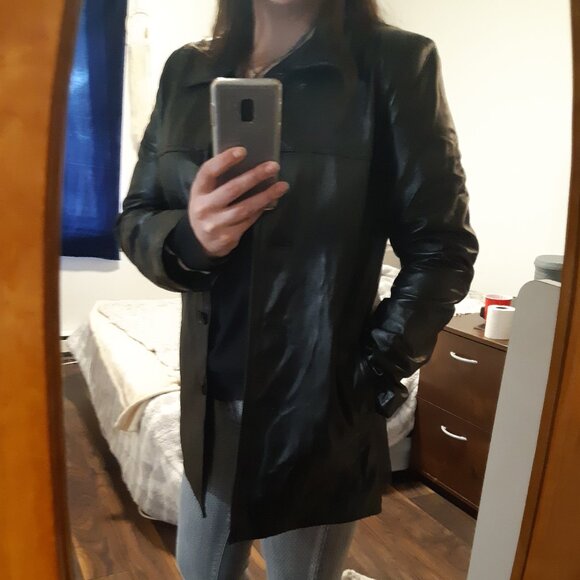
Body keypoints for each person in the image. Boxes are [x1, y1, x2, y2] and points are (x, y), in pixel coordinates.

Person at [117, 0, 479, 577]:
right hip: (210, 397)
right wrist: (191, 238)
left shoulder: (395, 63)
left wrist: (368, 375)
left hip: (317, 406)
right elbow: (137, 215)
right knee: (199, 569)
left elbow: (442, 248)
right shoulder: (187, 69)